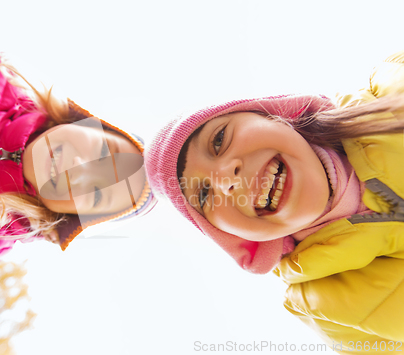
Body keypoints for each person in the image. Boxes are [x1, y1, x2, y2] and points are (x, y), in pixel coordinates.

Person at [145, 51, 404, 353]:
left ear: (275, 115)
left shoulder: (393, 82)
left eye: (218, 140)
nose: (226, 177)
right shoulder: (328, 310)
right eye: (204, 195)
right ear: (233, 237)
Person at [0, 3, 155, 298]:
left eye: (97, 193)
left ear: (71, 217)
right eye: (103, 151)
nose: (78, 166)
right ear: (89, 123)